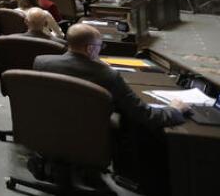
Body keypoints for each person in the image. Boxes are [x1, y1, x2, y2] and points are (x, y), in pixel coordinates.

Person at [34, 24, 187, 130]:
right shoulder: (108, 76)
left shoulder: (41, 62)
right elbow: (143, 115)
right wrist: (174, 110)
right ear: (90, 49)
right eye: (100, 47)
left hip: (48, 126)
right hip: (89, 134)